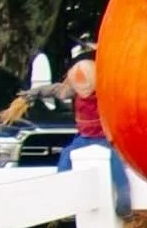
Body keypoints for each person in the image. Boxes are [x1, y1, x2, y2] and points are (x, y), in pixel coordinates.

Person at [53, 52, 133, 218]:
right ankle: (65, 197)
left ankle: (124, 199)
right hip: (83, 138)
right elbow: (55, 90)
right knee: (66, 156)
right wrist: (35, 93)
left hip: (103, 138)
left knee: (114, 162)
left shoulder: (105, 94)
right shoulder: (74, 93)